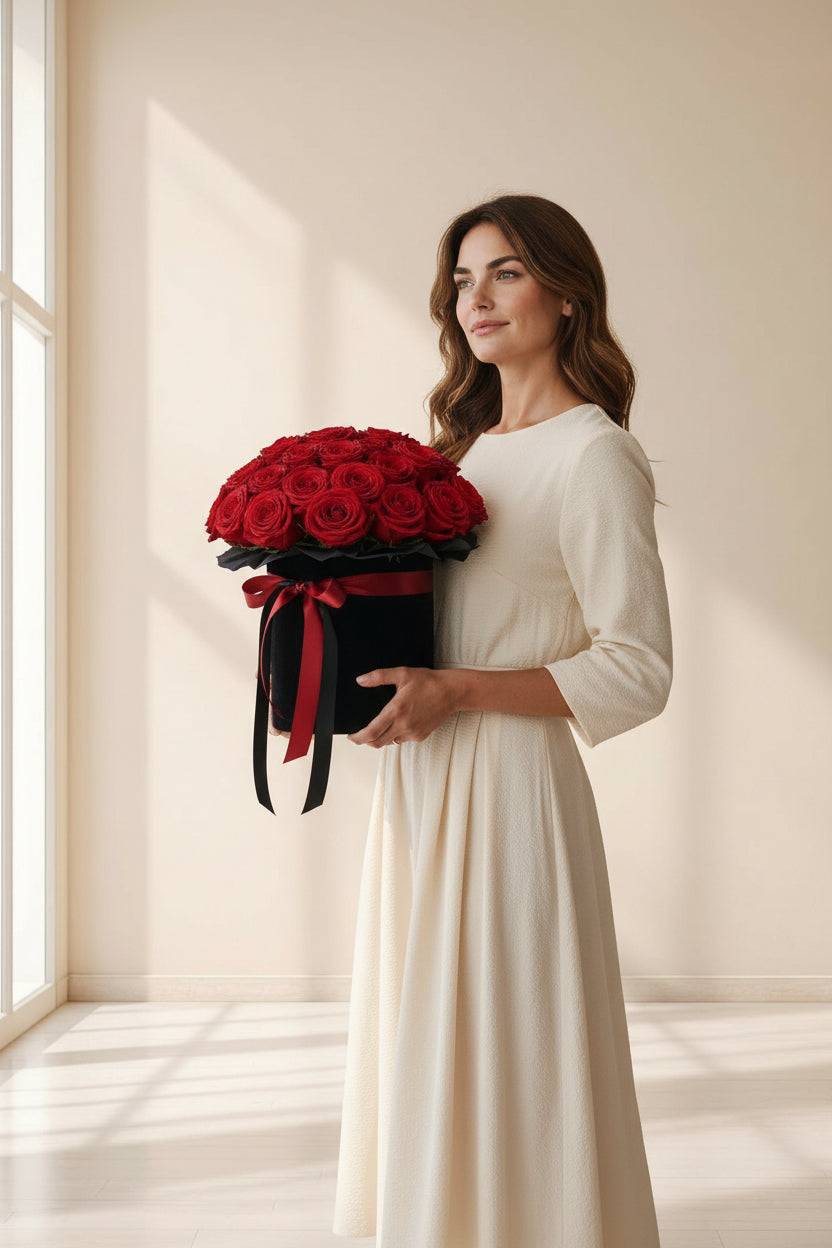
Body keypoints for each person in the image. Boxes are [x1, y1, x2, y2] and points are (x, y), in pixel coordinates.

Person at [331, 192, 672, 1248]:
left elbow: (637, 667)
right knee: (427, 1038)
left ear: (565, 295)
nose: (475, 298)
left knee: (511, 1052)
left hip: (514, 790)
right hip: (427, 784)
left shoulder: (592, 454)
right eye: (463, 278)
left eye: (507, 273)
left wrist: (461, 691)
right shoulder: (462, 453)